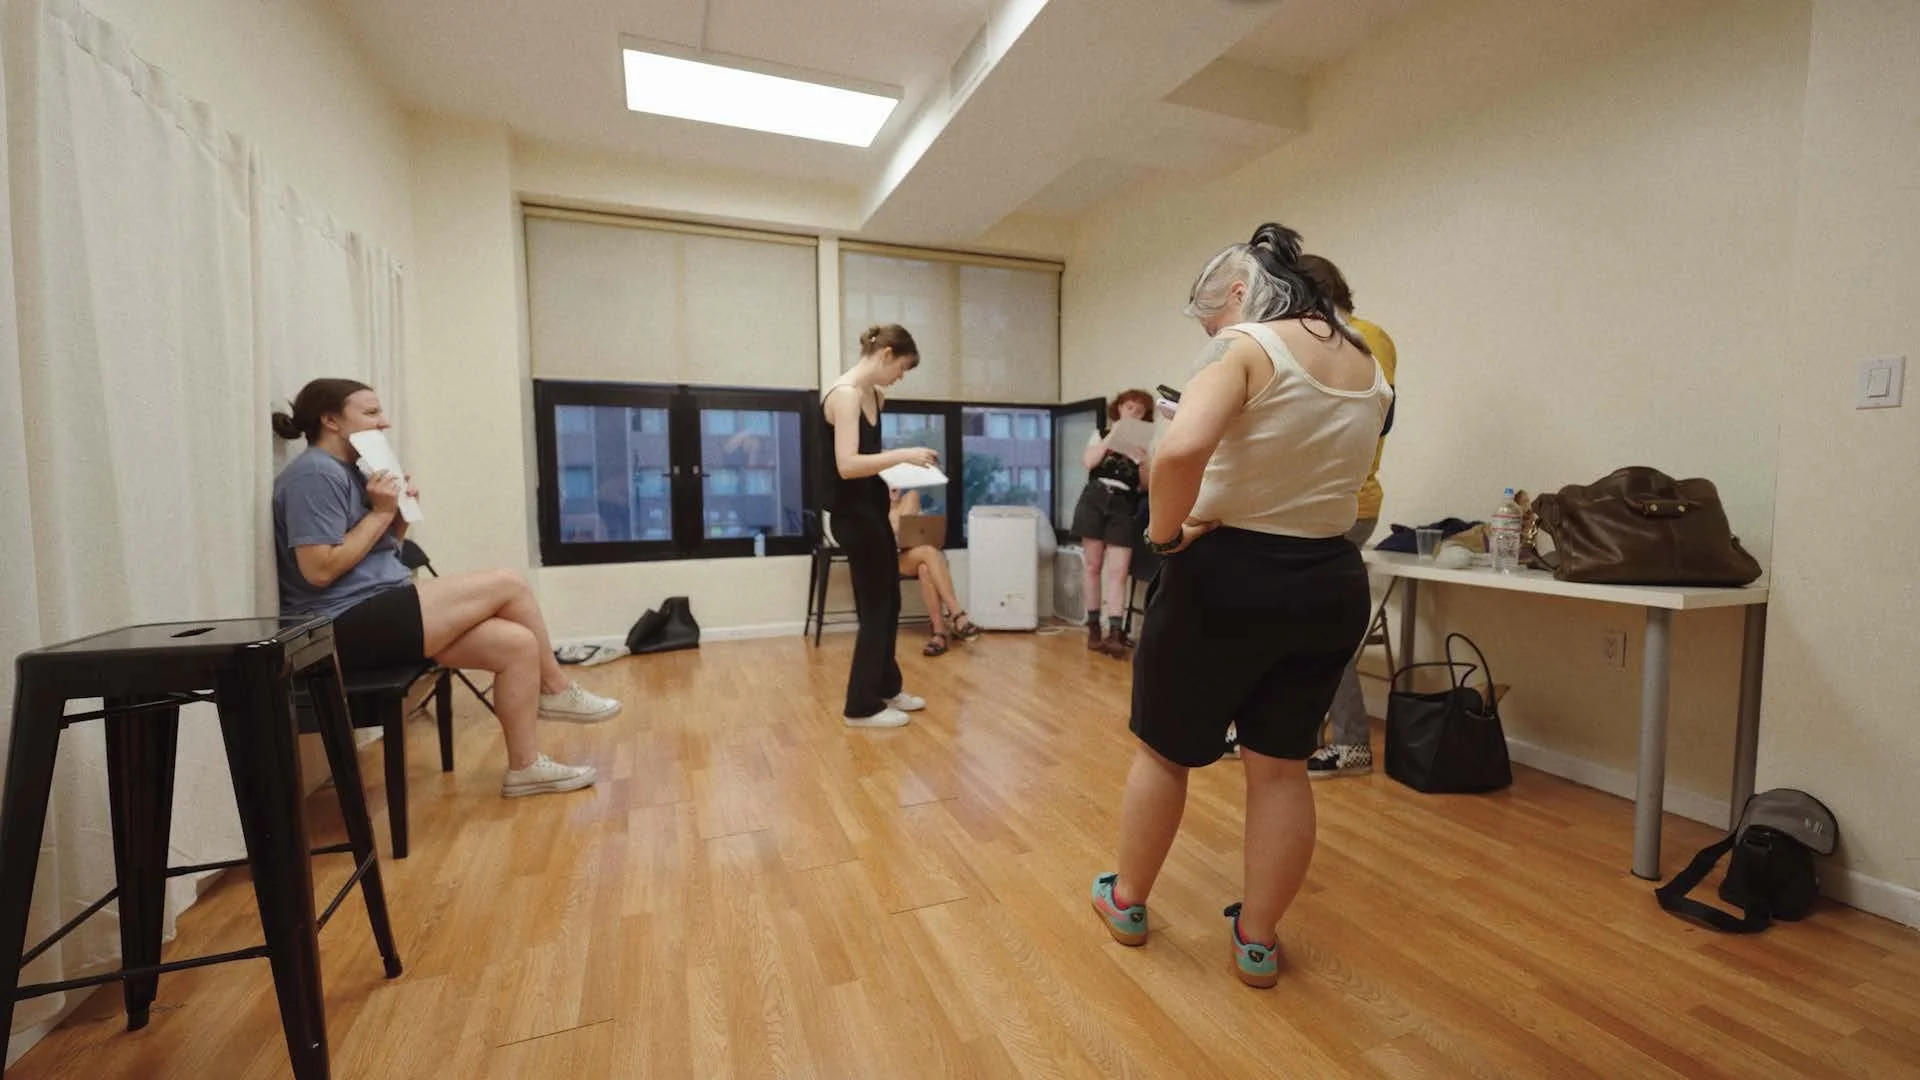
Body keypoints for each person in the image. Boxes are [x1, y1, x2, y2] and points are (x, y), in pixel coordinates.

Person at [1088, 224, 1392, 988]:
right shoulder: (1368, 364)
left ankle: (1127, 901)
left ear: (1243, 290)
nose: (1213, 330)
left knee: (1164, 752)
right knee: (1281, 770)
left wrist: (1163, 537)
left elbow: (1179, 450)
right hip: (1329, 578)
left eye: (1214, 314)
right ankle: (1256, 940)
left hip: (1225, 575)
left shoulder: (1248, 345)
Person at [271, 378, 618, 798]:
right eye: (371, 412)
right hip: (339, 624)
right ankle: (557, 688)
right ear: (331, 420)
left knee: (517, 645)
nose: (384, 422)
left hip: (375, 606)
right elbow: (319, 570)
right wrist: (380, 514)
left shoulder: (353, 471)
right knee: (509, 583)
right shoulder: (314, 473)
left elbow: (374, 557)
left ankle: (525, 768)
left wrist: (396, 519)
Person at [1296, 253, 1399, 779]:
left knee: (1321, 627)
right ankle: (1298, 733)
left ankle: (1353, 742)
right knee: (1299, 625)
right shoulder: (1322, 340)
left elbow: (1362, 417)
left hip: (1346, 504)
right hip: (1316, 502)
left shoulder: (1364, 338)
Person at [821, 325, 935, 728]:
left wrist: (891, 478)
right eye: (901, 368)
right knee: (874, 609)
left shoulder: (875, 396)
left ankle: (886, 686)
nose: (900, 377)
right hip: (852, 518)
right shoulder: (846, 395)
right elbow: (847, 465)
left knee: (890, 603)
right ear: (886, 354)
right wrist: (902, 455)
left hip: (872, 511)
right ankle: (860, 706)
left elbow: (868, 461)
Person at [1070, 389, 1155, 658]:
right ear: (1119, 408)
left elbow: (1146, 486)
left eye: (1139, 411)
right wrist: (1113, 437)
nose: (1133, 413)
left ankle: (1116, 632)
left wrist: (1143, 461)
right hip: (1095, 498)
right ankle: (1094, 627)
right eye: (1129, 407)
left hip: (1124, 504)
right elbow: (1089, 462)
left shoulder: (1146, 445)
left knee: (1118, 571)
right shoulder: (1100, 434)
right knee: (1093, 566)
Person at [888, 488, 981, 656]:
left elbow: (904, 531)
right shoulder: (875, 506)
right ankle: (957, 614)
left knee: (925, 568)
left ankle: (939, 633)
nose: (894, 488)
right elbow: (893, 531)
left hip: (919, 554)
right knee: (929, 552)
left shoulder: (911, 497)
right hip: (892, 559)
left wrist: (894, 507)